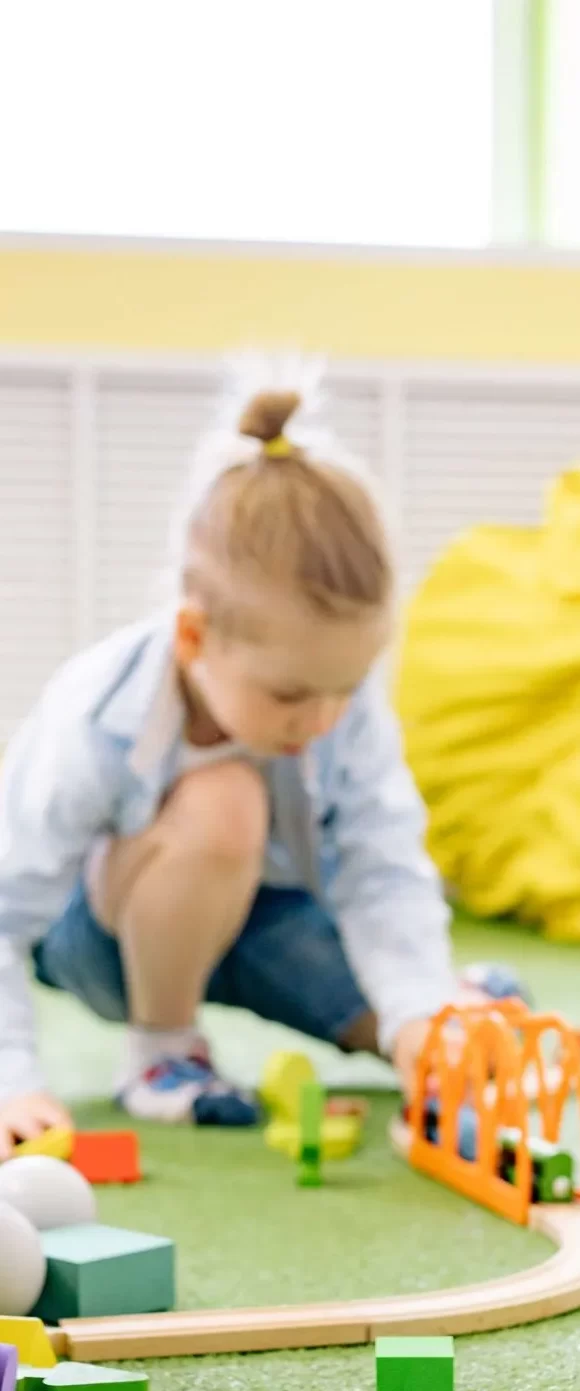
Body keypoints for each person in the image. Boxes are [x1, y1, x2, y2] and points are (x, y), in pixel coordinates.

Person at [0, 377, 485, 1154]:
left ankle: (449, 1000)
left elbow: (381, 865)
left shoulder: (336, 708)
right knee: (225, 802)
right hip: (108, 938)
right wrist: (11, 1081)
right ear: (193, 640)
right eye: (292, 694)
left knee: (410, 1036)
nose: (322, 720)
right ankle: (164, 1054)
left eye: (345, 689)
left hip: (265, 922)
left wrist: (420, 1015)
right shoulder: (98, 715)